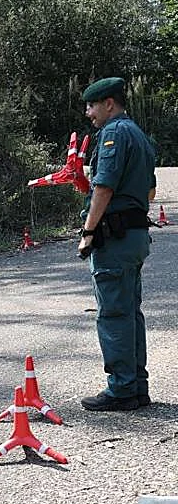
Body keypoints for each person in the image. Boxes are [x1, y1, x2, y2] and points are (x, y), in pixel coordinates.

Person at [76, 76, 157, 412]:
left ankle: (122, 390)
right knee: (130, 313)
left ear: (109, 103)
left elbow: (104, 188)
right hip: (135, 236)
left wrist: (89, 232)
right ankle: (136, 386)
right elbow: (150, 191)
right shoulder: (139, 135)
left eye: (92, 105)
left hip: (116, 238)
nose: (88, 112)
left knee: (113, 315)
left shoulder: (112, 134)